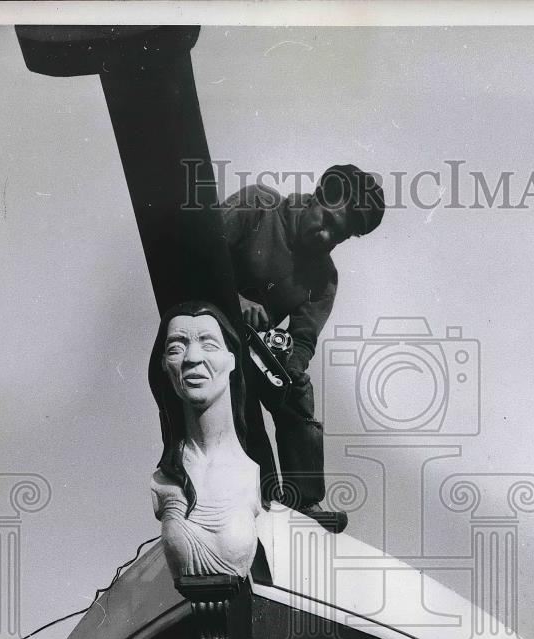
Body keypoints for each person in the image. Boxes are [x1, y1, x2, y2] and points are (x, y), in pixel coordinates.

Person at [220, 164, 385, 533]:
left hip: (251, 346)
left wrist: (288, 365)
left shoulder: (323, 278)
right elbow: (197, 248)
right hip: (206, 317)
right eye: (326, 220)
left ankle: (303, 500)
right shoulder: (258, 205)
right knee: (242, 403)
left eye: (338, 236)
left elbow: (304, 339)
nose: (326, 235)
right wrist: (234, 298)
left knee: (295, 387)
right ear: (317, 196)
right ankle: (262, 491)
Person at [148, 301, 261, 580]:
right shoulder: (163, 480)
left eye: (209, 344)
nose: (192, 358)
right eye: (176, 348)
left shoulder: (251, 473)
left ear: (232, 359)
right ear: (164, 365)